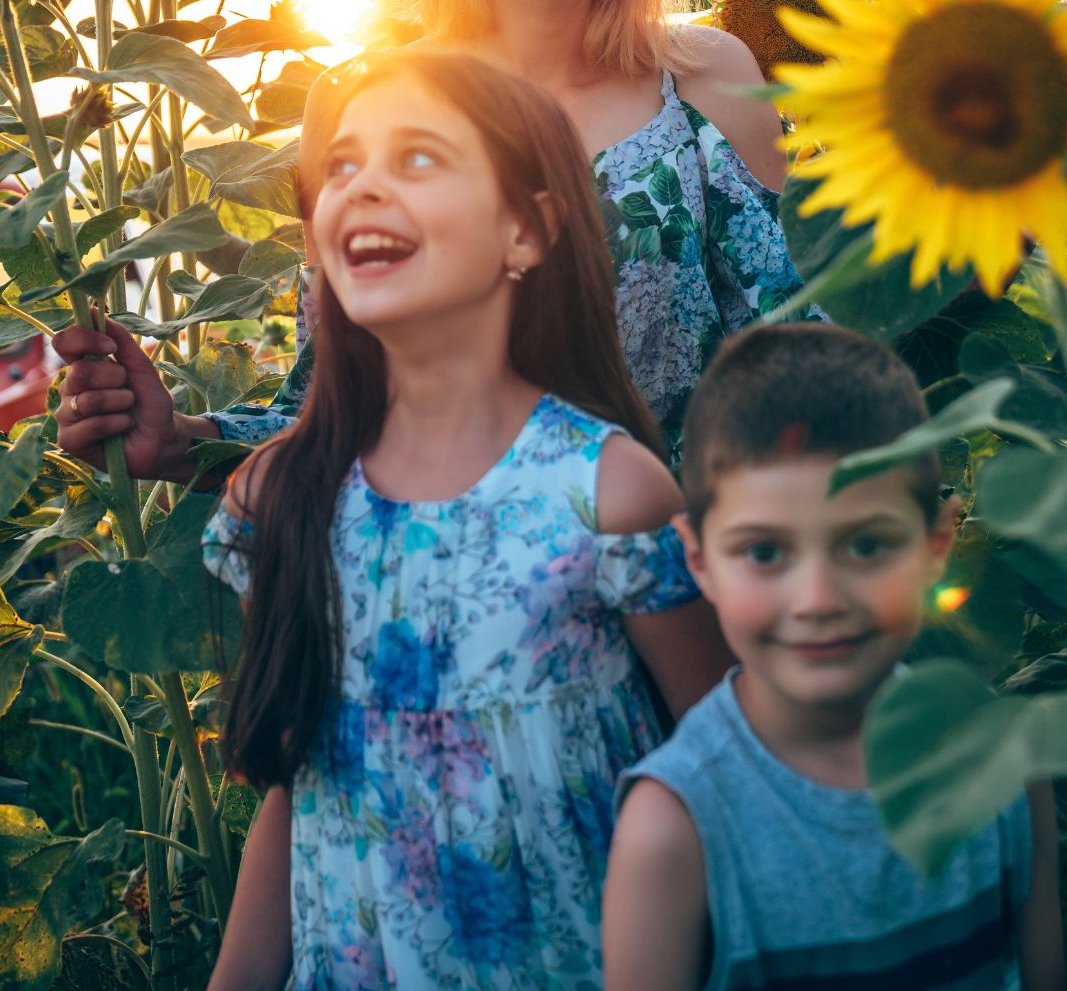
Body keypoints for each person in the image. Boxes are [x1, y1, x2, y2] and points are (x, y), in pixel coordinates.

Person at [52, 0, 816, 473]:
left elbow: (795, 375)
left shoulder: (703, 82)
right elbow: (334, 418)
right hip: (427, 588)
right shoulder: (357, 108)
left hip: (667, 575)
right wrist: (181, 440)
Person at [203, 51, 735, 991]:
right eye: (342, 165)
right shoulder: (280, 498)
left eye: (416, 159)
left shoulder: (608, 493)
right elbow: (295, 797)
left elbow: (720, 772)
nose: (363, 187)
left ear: (525, 230)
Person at [602, 324, 1067, 991]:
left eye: (867, 545)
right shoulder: (675, 830)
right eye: (765, 551)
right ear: (698, 559)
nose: (817, 599)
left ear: (937, 544)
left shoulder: (1009, 765)